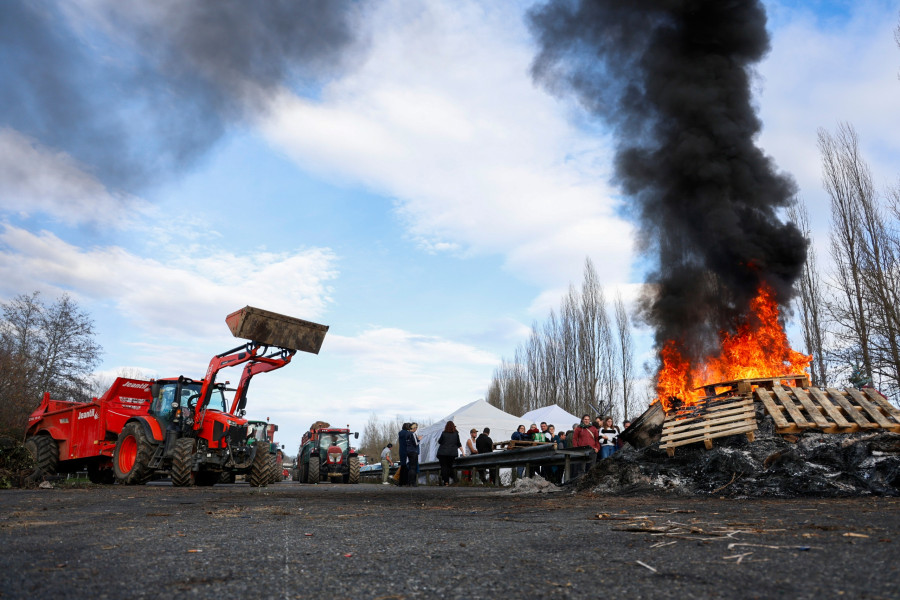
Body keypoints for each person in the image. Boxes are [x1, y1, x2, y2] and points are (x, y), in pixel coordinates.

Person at [436, 421, 463, 486]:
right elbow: (458, 443)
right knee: (449, 467)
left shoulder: (444, 433)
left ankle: (446, 482)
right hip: (452, 453)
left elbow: (439, 442)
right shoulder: (456, 434)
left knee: (444, 467)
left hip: (442, 453)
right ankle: (454, 479)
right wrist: (463, 452)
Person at [405, 422, 422, 486]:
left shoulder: (407, 434)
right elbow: (416, 443)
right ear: (414, 428)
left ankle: (409, 482)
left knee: (410, 467)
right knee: (413, 467)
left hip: (408, 451)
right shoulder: (413, 434)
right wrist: (419, 439)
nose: (416, 429)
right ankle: (413, 482)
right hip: (414, 452)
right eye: (416, 428)